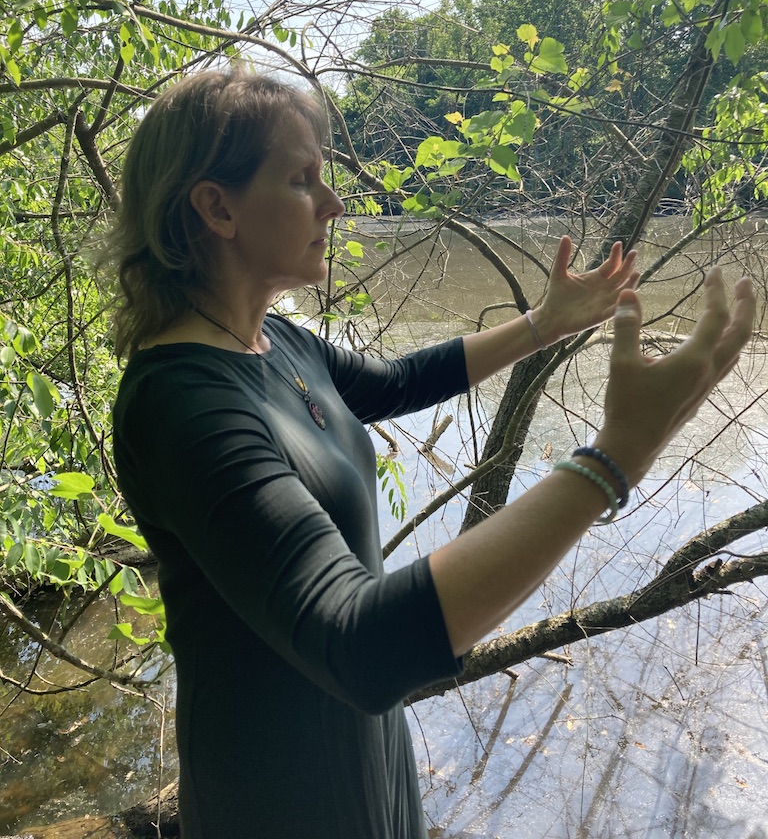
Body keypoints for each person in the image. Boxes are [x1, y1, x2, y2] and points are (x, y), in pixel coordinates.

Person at [104, 67, 755, 839]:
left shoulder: (272, 341)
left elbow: (398, 381)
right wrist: (616, 456)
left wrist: (544, 323)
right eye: (302, 180)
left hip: (367, 757)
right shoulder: (181, 405)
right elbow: (362, 643)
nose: (333, 203)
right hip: (275, 801)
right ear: (217, 208)